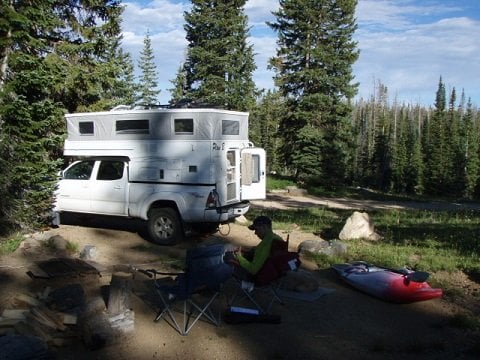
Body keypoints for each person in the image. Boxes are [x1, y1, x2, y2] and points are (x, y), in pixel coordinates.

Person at [227, 216, 286, 281]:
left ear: (264, 227)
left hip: (254, 277)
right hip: (266, 274)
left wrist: (239, 257)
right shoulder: (274, 238)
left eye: (256, 229)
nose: (255, 233)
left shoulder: (268, 243)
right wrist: (245, 252)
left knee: (226, 258)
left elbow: (253, 269)